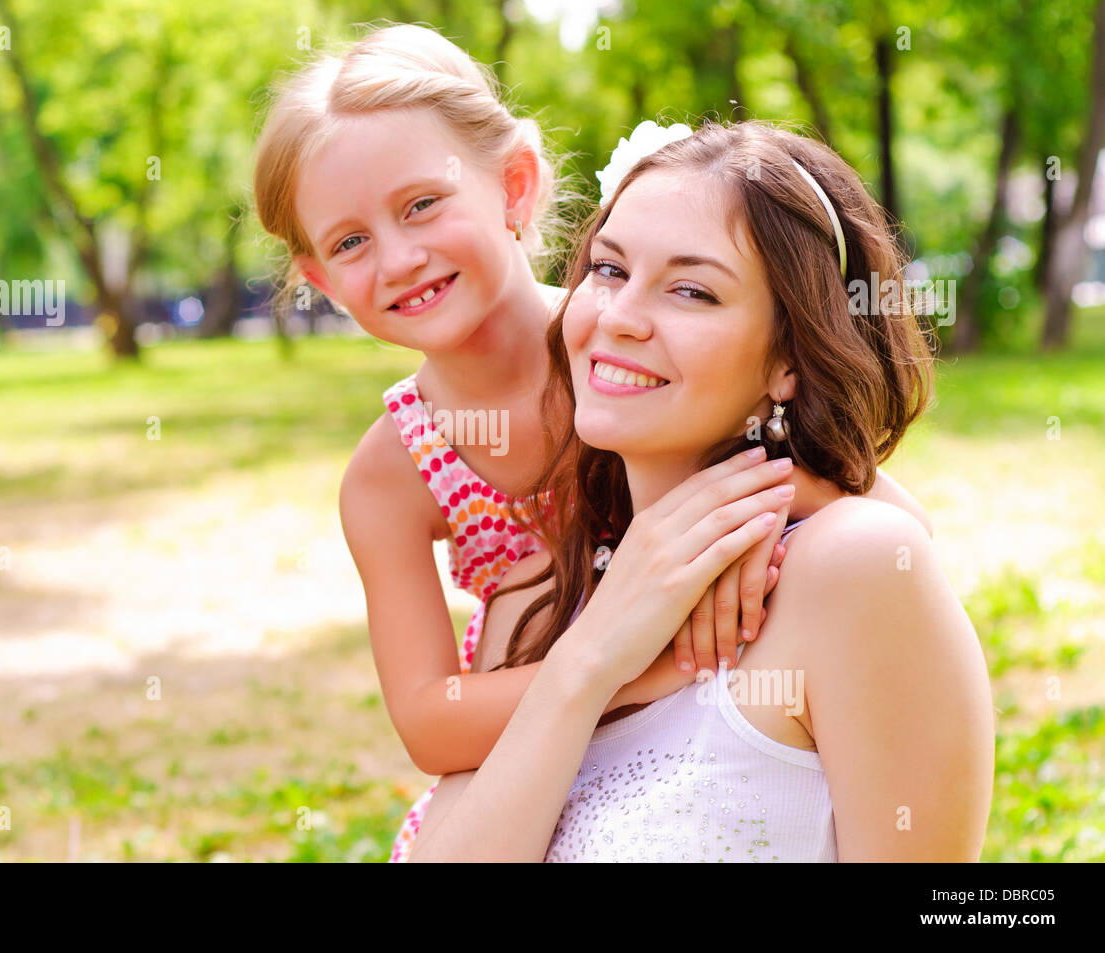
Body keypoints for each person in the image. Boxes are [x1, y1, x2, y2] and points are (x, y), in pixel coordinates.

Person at [253, 23, 931, 863]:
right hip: (531, 749)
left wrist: (746, 525)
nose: (398, 259)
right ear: (320, 278)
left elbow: (887, 522)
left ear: (515, 185)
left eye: (422, 204)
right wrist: (644, 656)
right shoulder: (391, 472)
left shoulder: (619, 358)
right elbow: (428, 719)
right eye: (351, 242)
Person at [408, 119, 994, 862]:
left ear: (788, 360)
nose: (619, 317)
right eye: (609, 269)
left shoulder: (855, 566)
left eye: (691, 290)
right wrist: (588, 661)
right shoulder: (535, 596)